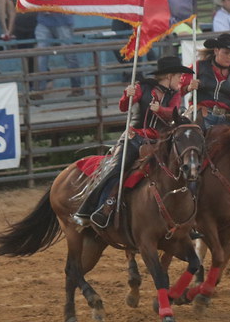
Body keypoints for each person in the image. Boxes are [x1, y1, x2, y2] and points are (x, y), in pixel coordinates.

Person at [72, 55, 193, 227]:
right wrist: (127, 95)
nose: (181, 79)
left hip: (158, 142)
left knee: (180, 166)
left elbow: (173, 112)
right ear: (169, 76)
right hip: (134, 138)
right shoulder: (142, 87)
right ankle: (92, 208)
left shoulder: (174, 95)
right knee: (117, 169)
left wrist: (161, 110)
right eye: (179, 76)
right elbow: (124, 106)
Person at [195, 32, 230, 132]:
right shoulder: (199, 66)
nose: (229, 57)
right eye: (226, 52)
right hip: (202, 116)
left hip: (226, 119)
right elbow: (180, 89)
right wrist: (188, 87)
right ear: (216, 51)